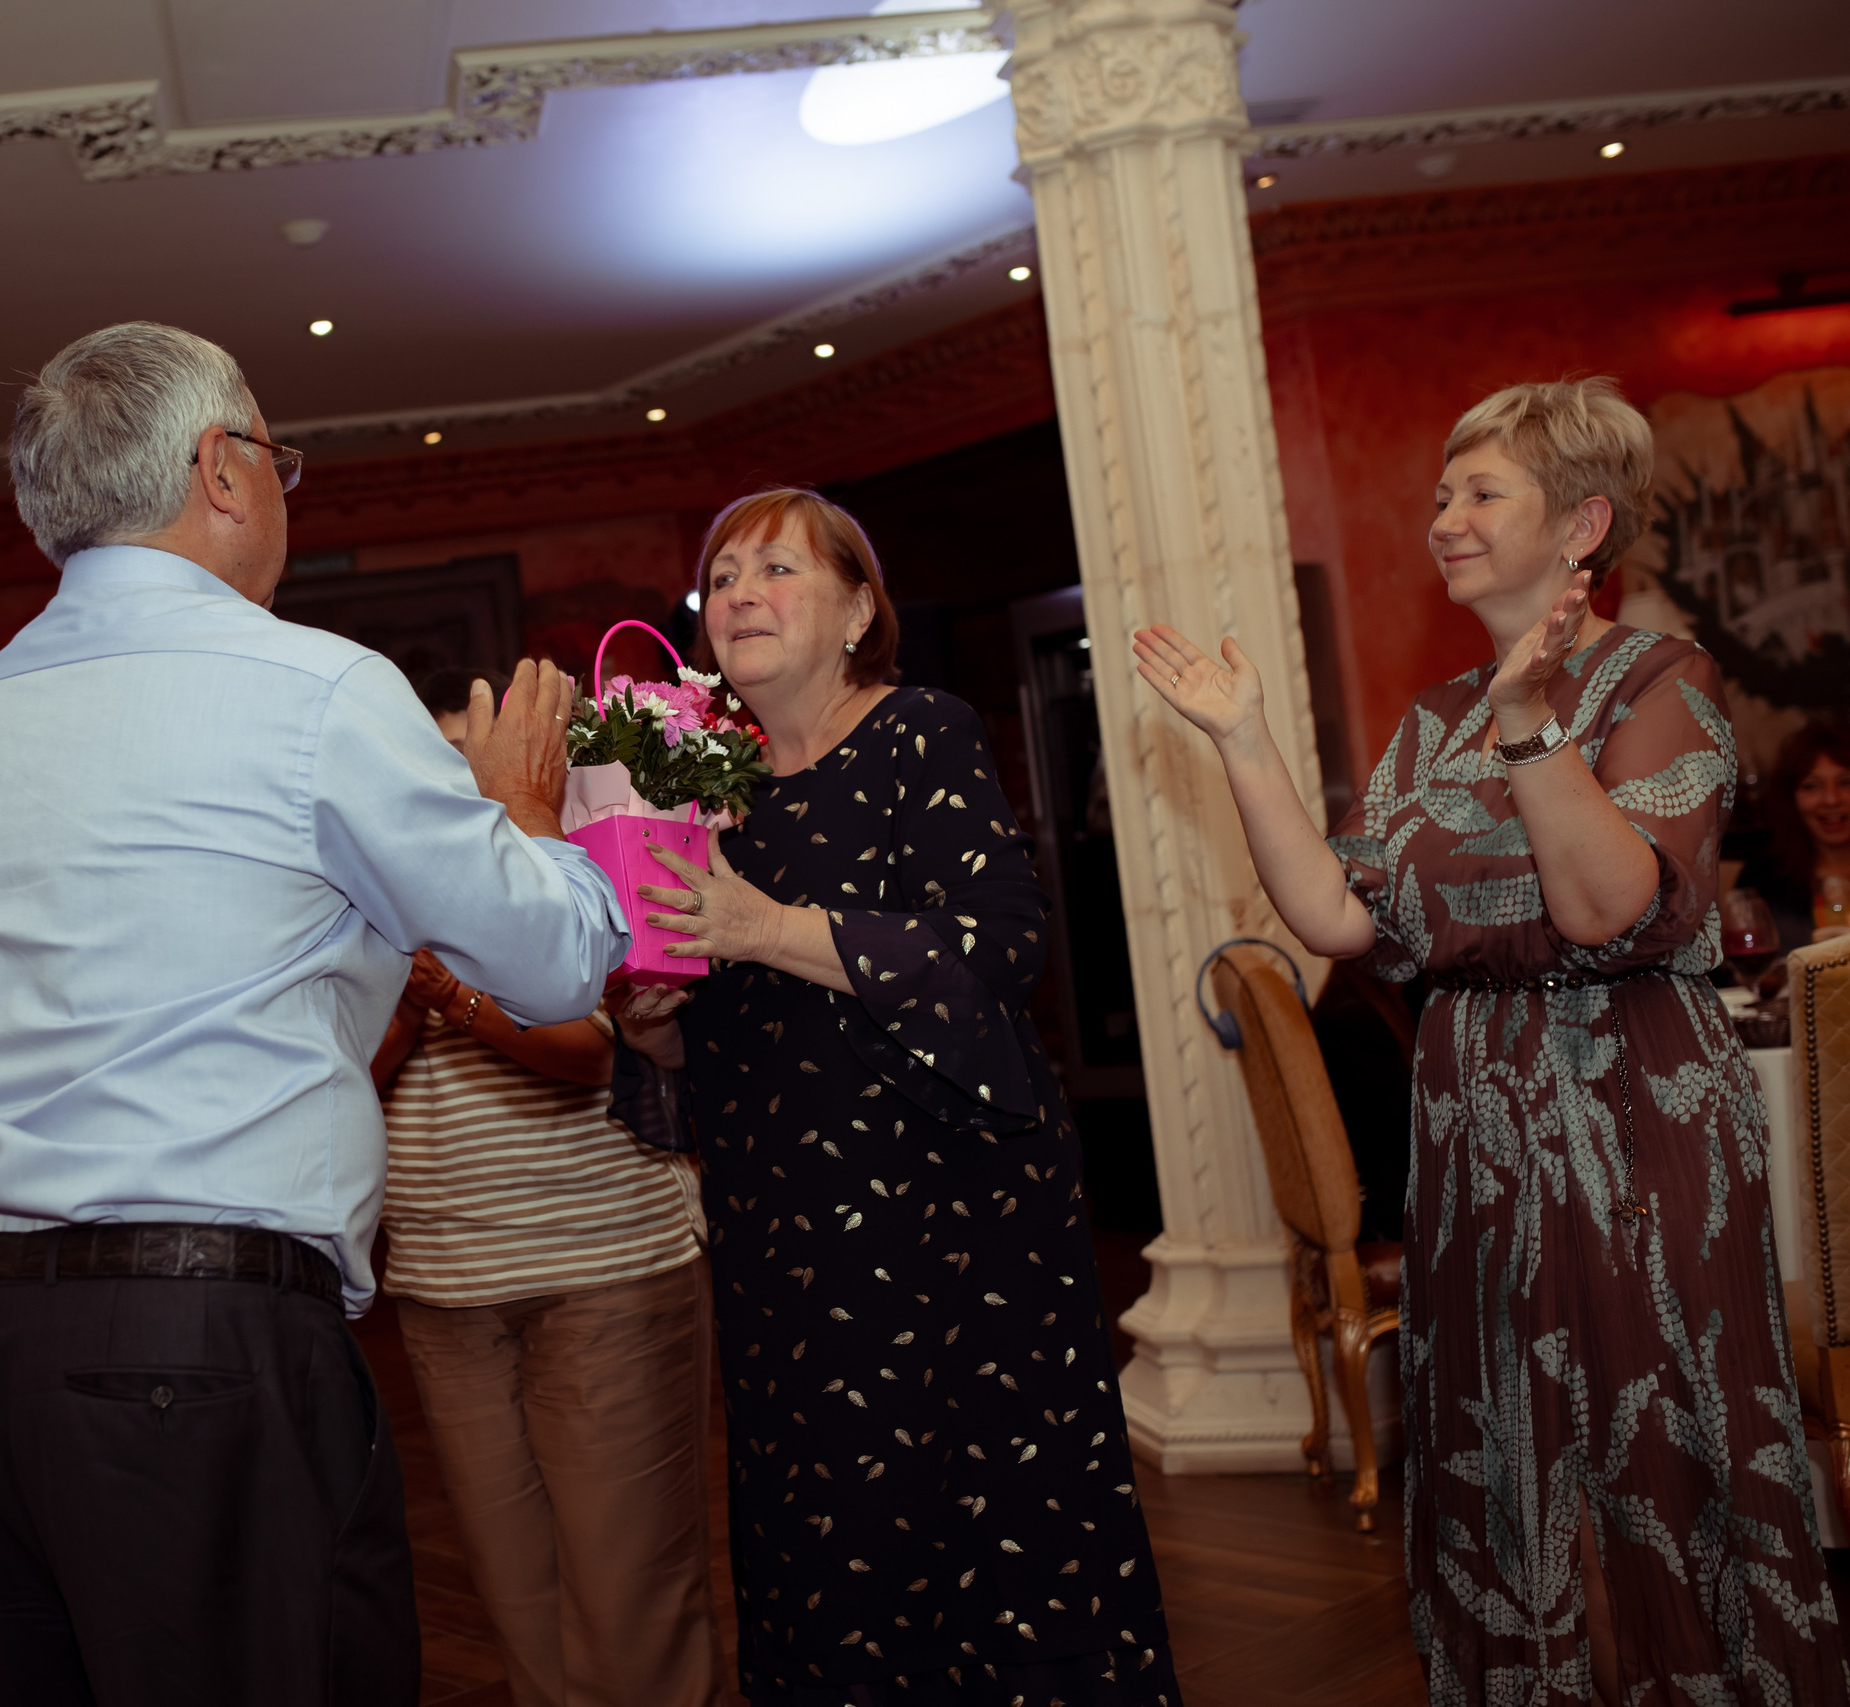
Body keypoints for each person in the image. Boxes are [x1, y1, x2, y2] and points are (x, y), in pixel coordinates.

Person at [0, 322, 628, 1706]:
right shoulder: (315, 687)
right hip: (188, 1343)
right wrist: (527, 812)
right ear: (222, 468)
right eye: (277, 459)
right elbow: (554, 968)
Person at [1134, 376, 1848, 1701]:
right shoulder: (1430, 719)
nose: (1444, 521)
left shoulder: (1662, 678)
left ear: (1583, 523)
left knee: (1666, 1456)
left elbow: (1606, 908)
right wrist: (1243, 743)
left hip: (1636, 1116)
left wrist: (1531, 725)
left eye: (1479, 493)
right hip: (1475, 1129)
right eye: (1439, 497)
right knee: (1505, 1468)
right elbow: (1337, 915)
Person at [614, 488, 1180, 1706]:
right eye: (723, 577)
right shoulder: (694, 788)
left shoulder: (919, 731)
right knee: (825, 1532)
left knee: (994, 1530)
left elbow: (997, 946)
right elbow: (698, 1046)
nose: (742, 594)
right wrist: (652, 1018)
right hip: (781, 1237)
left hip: (954, 1229)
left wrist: (763, 928)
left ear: (860, 609)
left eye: (777, 569)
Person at [370, 665, 724, 1707]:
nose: (460, 785)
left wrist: (446, 984)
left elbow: (591, 1049)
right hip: (444, 1279)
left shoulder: (582, 852)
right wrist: (412, 986)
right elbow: (352, 1070)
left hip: (606, 1264)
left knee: (631, 1604)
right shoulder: (378, 885)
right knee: (519, 1602)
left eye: (475, 760)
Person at [1736, 719, 1850, 951]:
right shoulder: (1763, 873)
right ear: (1791, 798)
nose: (1831, 799)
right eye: (1812, 786)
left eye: (1846, 782)